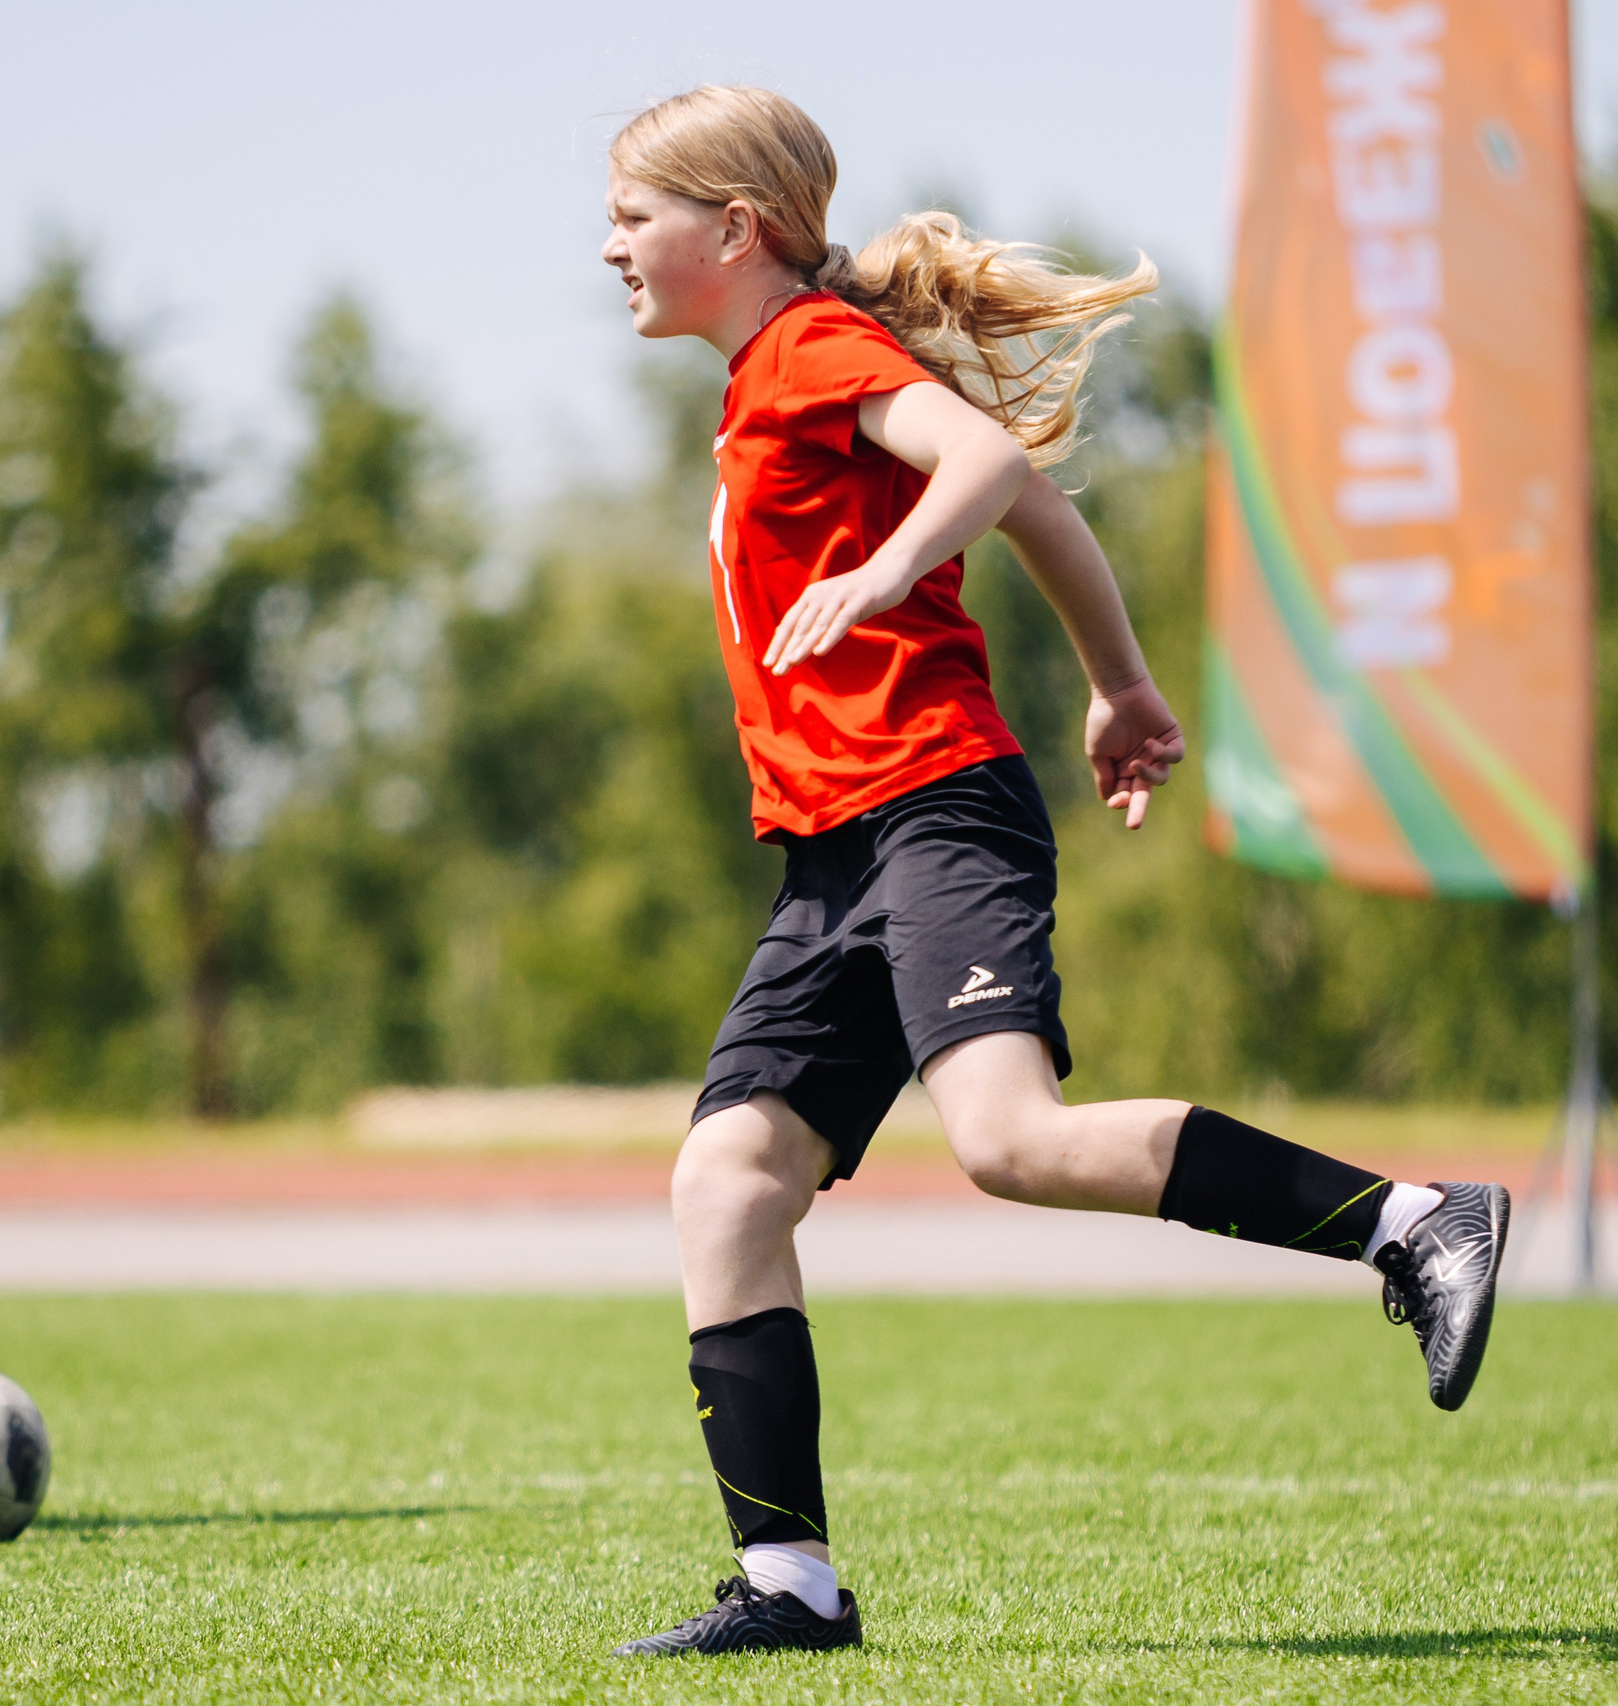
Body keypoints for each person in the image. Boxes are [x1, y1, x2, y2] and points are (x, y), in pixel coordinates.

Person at [596, 88, 1509, 1656]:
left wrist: (885, 572)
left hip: (936, 811)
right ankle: (790, 1588)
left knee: (1009, 1140)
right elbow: (1027, 499)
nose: (608, 243)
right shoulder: (767, 380)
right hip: (831, 861)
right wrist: (1123, 685)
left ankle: (1414, 1220)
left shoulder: (811, 349)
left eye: (633, 214)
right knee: (727, 1182)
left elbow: (980, 460)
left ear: (732, 230)